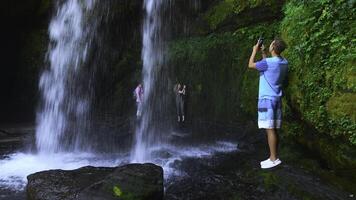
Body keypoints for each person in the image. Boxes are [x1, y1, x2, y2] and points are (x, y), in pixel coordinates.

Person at [248, 37, 288, 169]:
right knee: (273, 128)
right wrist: (263, 52)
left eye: (271, 44)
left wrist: (255, 50)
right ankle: (273, 156)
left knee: (269, 129)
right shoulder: (283, 62)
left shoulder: (269, 63)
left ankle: (274, 158)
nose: (269, 45)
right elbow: (267, 64)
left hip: (266, 100)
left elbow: (251, 65)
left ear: (273, 47)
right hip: (276, 98)